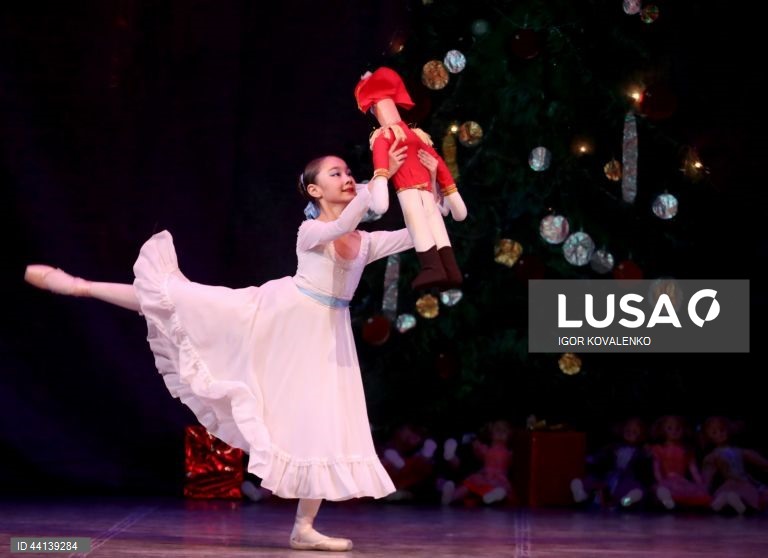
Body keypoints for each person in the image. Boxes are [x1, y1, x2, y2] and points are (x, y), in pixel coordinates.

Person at [24, 150, 428, 552]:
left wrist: (430, 185)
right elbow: (345, 219)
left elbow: (418, 233)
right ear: (314, 190)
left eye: (348, 172)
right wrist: (378, 177)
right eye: (335, 173)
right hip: (274, 317)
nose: (346, 178)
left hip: (324, 336)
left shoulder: (365, 241)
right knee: (179, 299)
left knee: (321, 422)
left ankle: (303, 527)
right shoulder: (311, 232)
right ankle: (80, 285)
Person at [354, 66, 467, 290]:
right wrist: (386, 174)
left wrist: (446, 186)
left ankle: (442, 269)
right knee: (425, 224)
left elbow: (435, 162)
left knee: (426, 223)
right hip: (415, 190)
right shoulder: (387, 137)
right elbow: (383, 166)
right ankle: (442, 269)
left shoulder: (407, 135)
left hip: (419, 191)